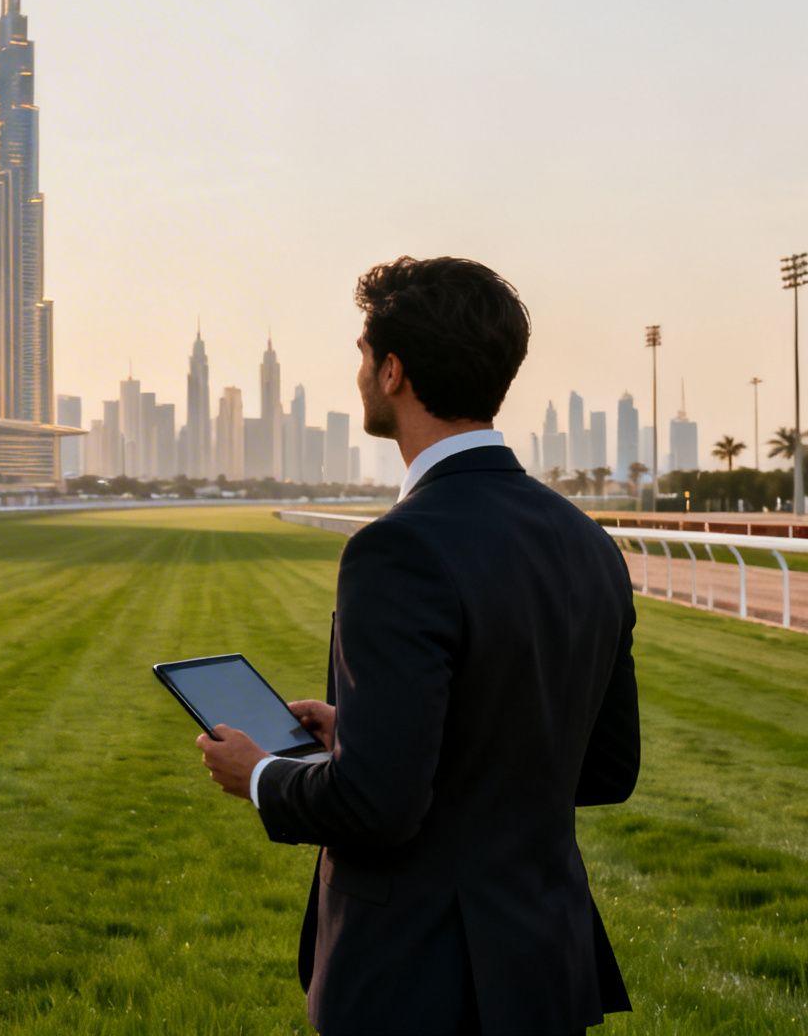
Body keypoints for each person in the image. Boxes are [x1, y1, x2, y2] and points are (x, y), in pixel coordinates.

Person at [195, 256, 640, 1035]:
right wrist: (370, 734)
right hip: (546, 970)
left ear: (393, 371)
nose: (359, 374)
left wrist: (262, 775)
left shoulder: (395, 549)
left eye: (363, 356)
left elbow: (377, 807)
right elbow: (604, 768)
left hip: (419, 983)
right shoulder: (587, 542)